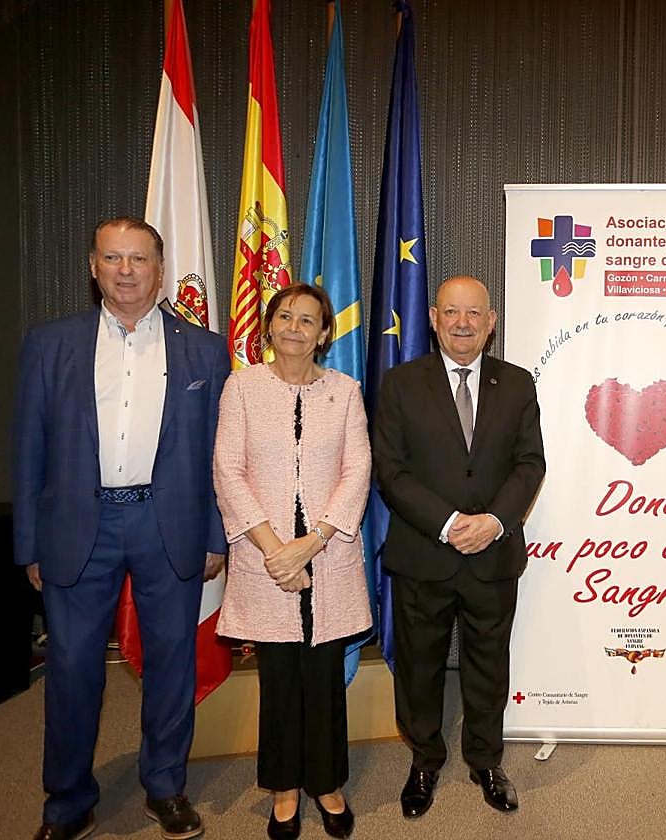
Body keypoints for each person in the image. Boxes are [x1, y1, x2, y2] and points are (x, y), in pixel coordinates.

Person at [14, 218, 229, 840]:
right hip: (80, 526)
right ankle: (68, 801)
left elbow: (218, 452)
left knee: (171, 665)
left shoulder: (204, 350)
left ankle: (165, 786)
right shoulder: (50, 343)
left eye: (139, 259)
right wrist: (29, 542)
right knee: (74, 667)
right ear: (94, 266)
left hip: (171, 526)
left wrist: (216, 534)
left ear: (160, 271)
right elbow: (29, 447)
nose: (127, 270)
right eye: (114, 258)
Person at [373, 275, 545, 817]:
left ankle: (486, 760)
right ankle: (424, 759)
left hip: (493, 555)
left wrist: (495, 520)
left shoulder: (517, 384)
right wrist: (448, 522)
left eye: (474, 313)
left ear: (490, 321)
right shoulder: (401, 383)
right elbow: (391, 472)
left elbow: (530, 463)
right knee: (420, 666)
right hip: (424, 552)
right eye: (452, 312)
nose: (463, 323)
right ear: (433, 317)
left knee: (489, 666)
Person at [213, 283, 371, 840]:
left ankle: (326, 782)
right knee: (279, 677)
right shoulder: (243, 387)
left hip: (327, 559)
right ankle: (283, 787)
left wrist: (314, 541)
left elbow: (358, 471)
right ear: (270, 326)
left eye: (308, 320)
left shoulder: (346, 391)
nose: (296, 328)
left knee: (324, 674)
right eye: (285, 316)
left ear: (325, 333)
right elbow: (227, 471)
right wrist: (277, 549)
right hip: (265, 556)